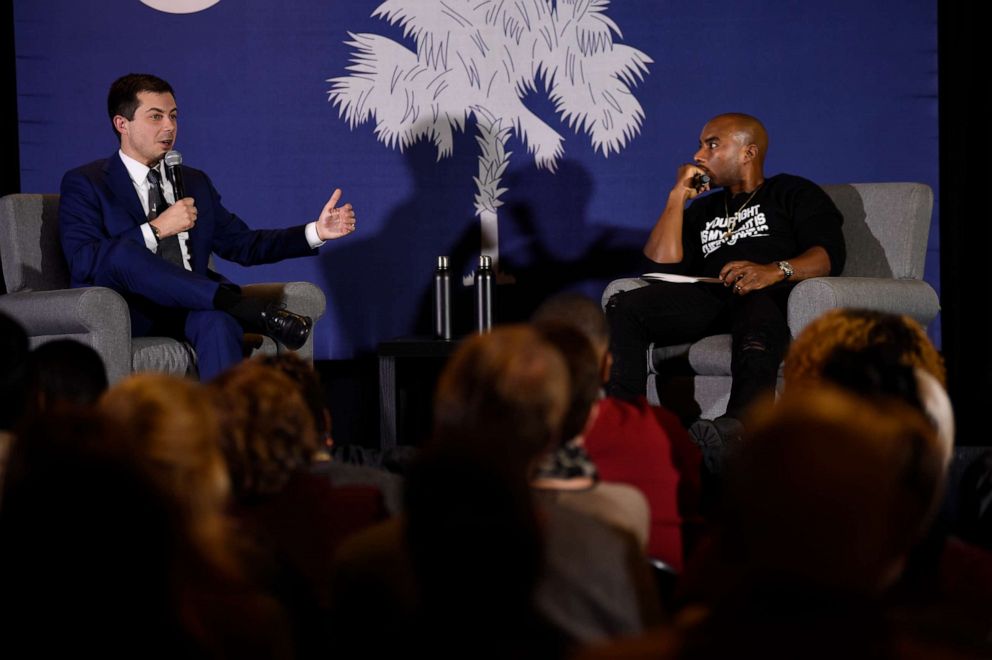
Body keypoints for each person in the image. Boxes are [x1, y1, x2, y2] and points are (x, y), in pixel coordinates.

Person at [59, 73, 357, 380]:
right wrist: (158, 228)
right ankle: (241, 307)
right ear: (122, 124)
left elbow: (243, 244)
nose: (169, 127)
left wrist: (316, 232)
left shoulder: (193, 181)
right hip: (131, 311)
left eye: (173, 116)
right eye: (156, 117)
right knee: (123, 254)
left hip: (191, 306)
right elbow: (85, 260)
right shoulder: (87, 182)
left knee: (218, 323)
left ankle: (223, 426)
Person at [605, 113, 845, 434]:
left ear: (748, 153)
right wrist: (677, 197)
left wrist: (775, 271)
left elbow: (828, 256)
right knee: (626, 305)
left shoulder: (791, 192)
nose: (698, 155)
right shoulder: (705, 209)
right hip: (709, 297)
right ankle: (624, 421)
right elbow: (659, 267)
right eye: (700, 145)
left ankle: (736, 430)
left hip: (764, 295)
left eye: (712, 145)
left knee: (757, 309)